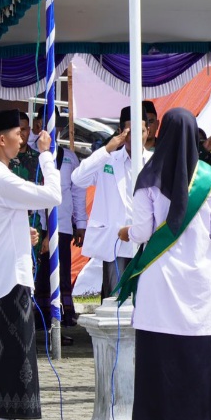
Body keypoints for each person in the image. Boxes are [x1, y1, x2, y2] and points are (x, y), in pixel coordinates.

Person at [116, 108, 211, 420]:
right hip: (200, 287)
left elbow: (141, 233)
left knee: (157, 368)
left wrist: (125, 232)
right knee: (198, 367)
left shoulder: (148, 176)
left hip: (160, 287)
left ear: (161, 133)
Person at [0, 109, 61, 420]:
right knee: (10, 351)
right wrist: (47, 156)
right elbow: (53, 196)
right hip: (7, 278)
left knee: (12, 350)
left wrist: (23, 233)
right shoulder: (0, 178)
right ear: (1, 140)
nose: (23, 139)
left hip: (5, 276)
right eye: (17, 134)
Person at [71, 106, 151, 300]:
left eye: (140, 131)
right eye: (129, 132)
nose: (135, 137)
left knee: (145, 299)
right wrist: (107, 148)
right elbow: (78, 179)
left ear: (148, 131)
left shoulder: (155, 162)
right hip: (116, 243)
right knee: (115, 301)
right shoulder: (107, 159)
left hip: (146, 241)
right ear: (120, 132)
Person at [33, 111, 86, 329]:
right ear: (38, 124)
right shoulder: (31, 154)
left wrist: (80, 223)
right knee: (40, 273)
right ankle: (39, 317)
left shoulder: (70, 157)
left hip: (62, 224)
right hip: (37, 225)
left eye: (58, 126)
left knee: (62, 272)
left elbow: (77, 192)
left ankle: (61, 316)